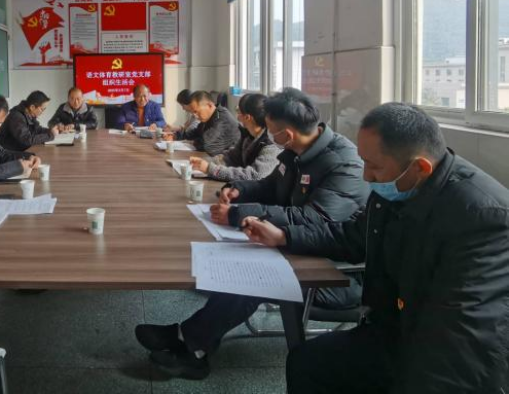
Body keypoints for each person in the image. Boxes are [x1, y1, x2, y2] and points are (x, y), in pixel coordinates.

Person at [243, 103, 509, 393]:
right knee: (306, 361)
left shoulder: (482, 217)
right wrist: (284, 236)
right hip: (393, 330)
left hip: (447, 353)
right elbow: (352, 236)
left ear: (420, 167)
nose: (366, 177)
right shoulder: (397, 188)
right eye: (364, 162)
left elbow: (463, 329)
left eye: (374, 166)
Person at [135, 87, 369, 379]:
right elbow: (270, 186)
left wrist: (240, 214)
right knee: (240, 261)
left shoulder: (344, 164)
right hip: (301, 246)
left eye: (271, 131)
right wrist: (238, 191)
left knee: (255, 275)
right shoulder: (295, 152)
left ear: (287, 134)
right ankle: (191, 338)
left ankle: (191, 347)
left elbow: (315, 219)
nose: (268, 136)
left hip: (338, 273)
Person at [190, 93, 280, 182]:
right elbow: (231, 158)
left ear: (247, 117)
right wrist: (204, 163)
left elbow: (255, 175)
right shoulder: (248, 135)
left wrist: (211, 169)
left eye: (238, 111)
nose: (237, 117)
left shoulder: (271, 144)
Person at [164, 90, 241, 156]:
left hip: (232, 162)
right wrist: (175, 136)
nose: (195, 116)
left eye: (196, 112)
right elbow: (195, 132)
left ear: (209, 105)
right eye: (193, 112)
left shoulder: (220, 116)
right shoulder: (210, 116)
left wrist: (193, 142)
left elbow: (206, 144)